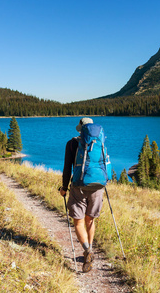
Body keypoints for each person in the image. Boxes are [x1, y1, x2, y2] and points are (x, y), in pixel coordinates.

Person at [59, 117, 104, 273]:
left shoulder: (72, 143)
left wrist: (64, 187)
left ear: (80, 128)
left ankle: (87, 251)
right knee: (90, 219)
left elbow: (67, 168)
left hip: (79, 186)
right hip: (98, 185)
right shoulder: (100, 140)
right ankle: (90, 248)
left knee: (78, 222)